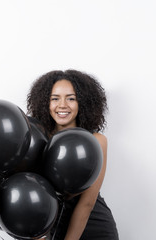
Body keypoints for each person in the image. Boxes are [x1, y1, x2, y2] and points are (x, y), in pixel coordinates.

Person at [26, 70, 119, 240]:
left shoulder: (96, 141)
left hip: (92, 227)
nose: (62, 105)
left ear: (82, 103)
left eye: (71, 98)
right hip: (50, 227)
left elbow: (87, 203)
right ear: (45, 103)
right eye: (55, 98)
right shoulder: (38, 140)